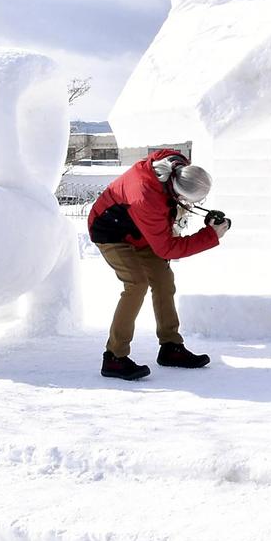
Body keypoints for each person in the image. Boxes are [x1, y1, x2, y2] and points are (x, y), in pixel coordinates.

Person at [87, 149, 230, 380]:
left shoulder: (175, 163)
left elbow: (165, 229)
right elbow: (167, 248)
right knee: (137, 284)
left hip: (141, 231)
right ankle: (114, 357)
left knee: (164, 280)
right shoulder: (146, 198)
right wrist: (210, 236)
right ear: (176, 190)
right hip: (110, 231)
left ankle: (170, 347)